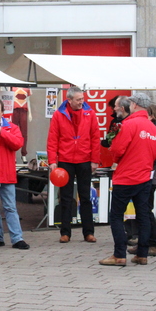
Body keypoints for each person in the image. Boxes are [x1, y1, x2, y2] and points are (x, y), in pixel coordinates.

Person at [100, 93, 156, 266]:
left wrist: (115, 154)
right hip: (144, 177)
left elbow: (117, 150)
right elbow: (155, 155)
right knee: (143, 216)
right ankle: (142, 254)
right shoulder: (153, 128)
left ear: (134, 105)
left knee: (116, 216)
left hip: (126, 177)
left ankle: (119, 254)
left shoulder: (129, 124)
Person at [47, 86, 100, 243]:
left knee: (85, 197)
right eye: (78, 100)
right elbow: (52, 139)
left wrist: (94, 160)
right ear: (69, 100)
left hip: (84, 159)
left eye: (82, 99)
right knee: (66, 197)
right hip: (65, 160)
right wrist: (52, 161)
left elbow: (95, 137)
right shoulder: (58, 114)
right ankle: (65, 232)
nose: (81, 102)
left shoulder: (90, 113)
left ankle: (88, 232)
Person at [0, 98, 30, 250]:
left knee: (10, 207)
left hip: (6, 173)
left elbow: (18, 144)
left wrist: (2, 132)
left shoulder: (11, 128)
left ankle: (17, 238)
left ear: (2, 113)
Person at [128, 103, 156, 257]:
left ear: (152, 116)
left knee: (146, 211)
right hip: (146, 175)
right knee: (143, 210)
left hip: (150, 176)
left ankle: (153, 243)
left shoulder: (155, 131)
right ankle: (145, 241)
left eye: (146, 114)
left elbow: (155, 157)